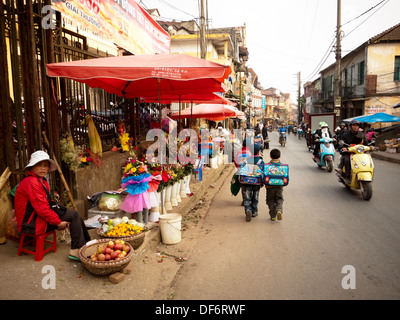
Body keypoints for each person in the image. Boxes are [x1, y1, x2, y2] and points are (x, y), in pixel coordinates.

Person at [14, 150, 91, 260]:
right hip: (31, 223)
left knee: (74, 214)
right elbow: (42, 209)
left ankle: (85, 244)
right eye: (39, 165)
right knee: (74, 216)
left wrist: (58, 213)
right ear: (32, 167)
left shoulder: (41, 180)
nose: (42, 168)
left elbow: (46, 204)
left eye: (45, 166)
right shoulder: (31, 182)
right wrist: (58, 222)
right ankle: (77, 249)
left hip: (38, 217)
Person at [337, 120, 373, 184]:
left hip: (360, 153)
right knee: (346, 159)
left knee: (367, 158)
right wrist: (343, 148)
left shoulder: (362, 134)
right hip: (348, 153)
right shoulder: (345, 135)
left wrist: (370, 147)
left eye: (357, 125)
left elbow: (366, 144)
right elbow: (340, 144)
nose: (355, 127)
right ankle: (347, 176)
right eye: (354, 125)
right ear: (351, 126)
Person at [241, 144, 264, 222]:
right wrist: (262, 183)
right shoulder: (261, 161)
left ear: (250, 151)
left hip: (246, 182)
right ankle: (254, 212)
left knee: (247, 198)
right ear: (258, 151)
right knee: (255, 197)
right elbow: (263, 173)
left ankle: (248, 209)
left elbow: (241, 171)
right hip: (257, 183)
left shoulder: (245, 161)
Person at [265, 148, 284, 221]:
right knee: (279, 198)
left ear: (270, 156)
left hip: (269, 187)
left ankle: (273, 216)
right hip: (279, 186)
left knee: (270, 200)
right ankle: (279, 209)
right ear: (280, 156)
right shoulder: (282, 166)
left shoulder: (267, 166)